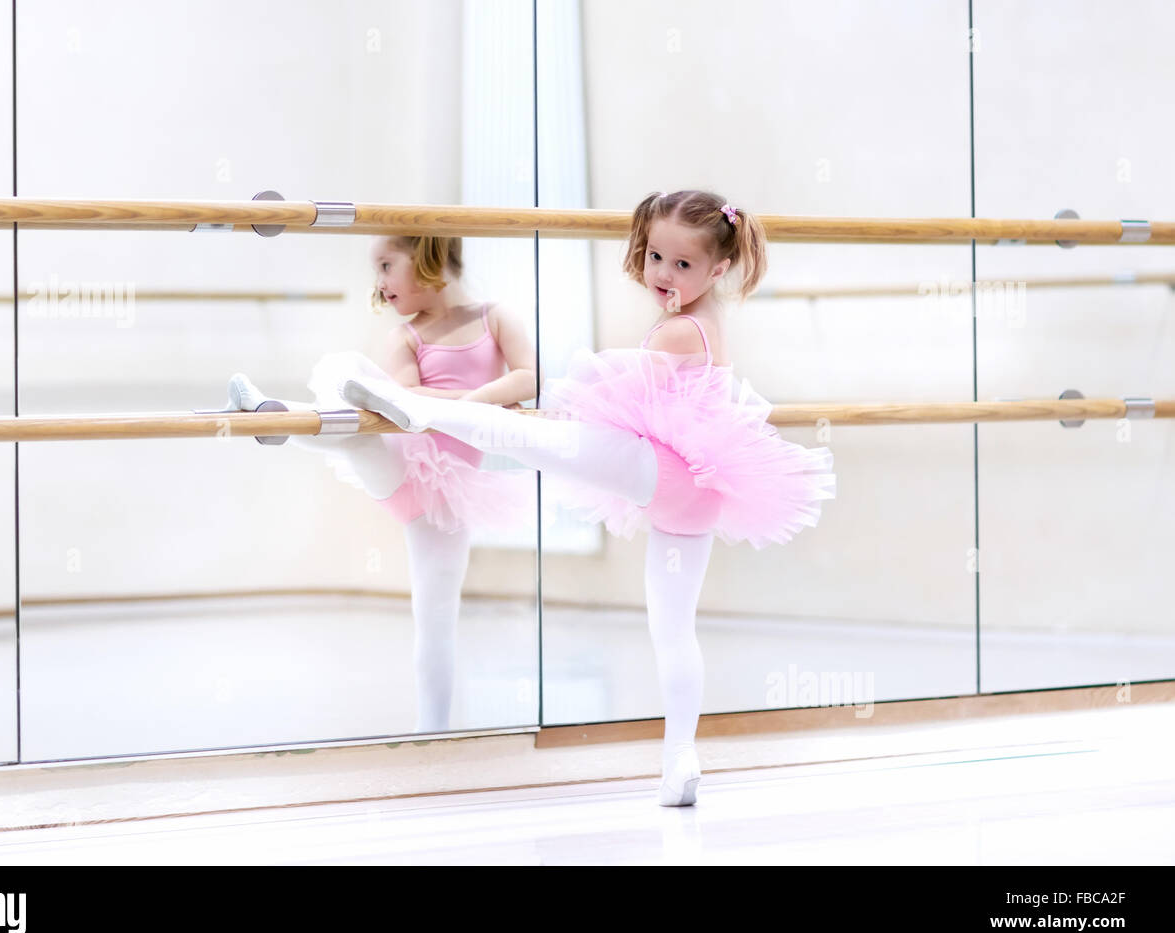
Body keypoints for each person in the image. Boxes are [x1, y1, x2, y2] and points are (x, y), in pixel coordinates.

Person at [330, 189, 837, 805]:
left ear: (720, 269)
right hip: (693, 497)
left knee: (527, 436)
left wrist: (570, 387)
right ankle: (680, 759)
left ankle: (415, 408)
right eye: (655, 257)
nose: (662, 275)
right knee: (673, 631)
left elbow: (610, 382)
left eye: (683, 265)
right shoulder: (704, 319)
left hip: (667, 472)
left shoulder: (681, 330)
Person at [225, 235, 539, 734]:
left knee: (435, 618)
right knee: (361, 433)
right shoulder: (405, 338)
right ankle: (273, 413)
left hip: (448, 497)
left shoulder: (494, 317)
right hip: (403, 464)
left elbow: (529, 379)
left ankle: (432, 731)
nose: (380, 283)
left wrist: (464, 403)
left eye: (387, 265)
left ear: (426, 256)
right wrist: (463, 405)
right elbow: (409, 404)